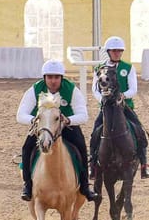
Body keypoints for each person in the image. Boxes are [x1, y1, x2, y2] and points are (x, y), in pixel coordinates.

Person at [16, 60, 96, 202]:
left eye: (56, 77)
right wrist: (35, 121)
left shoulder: (72, 90)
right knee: (27, 148)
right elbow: (20, 114)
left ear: (61, 78)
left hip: (66, 127)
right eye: (50, 77)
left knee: (81, 148)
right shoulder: (35, 89)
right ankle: (28, 185)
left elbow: (83, 115)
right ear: (44, 77)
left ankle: (84, 186)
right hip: (43, 128)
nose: (53, 81)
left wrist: (68, 120)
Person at [91, 37, 149, 179]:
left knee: (140, 132)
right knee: (95, 132)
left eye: (119, 50)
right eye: (114, 50)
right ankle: (93, 165)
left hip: (124, 108)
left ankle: (144, 165)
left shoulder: (128, 68)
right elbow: (95, 89)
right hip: (106, 109)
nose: (117, 53)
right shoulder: (99, 68)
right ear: (108, 51)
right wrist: (103, 100)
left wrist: (122, 96)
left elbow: (134, 89)